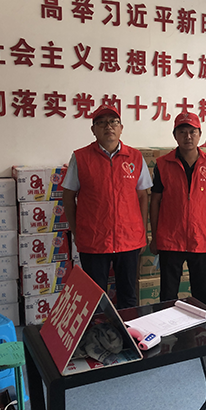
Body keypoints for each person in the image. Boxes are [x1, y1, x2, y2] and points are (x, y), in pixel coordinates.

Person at [62, 104, 152, 309]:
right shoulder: (80, 157)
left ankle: (128, 329)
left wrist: (142, 232)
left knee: (128, 295)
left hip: (129, 239)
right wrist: (77, 231)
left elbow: (142, 196)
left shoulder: (135, 157)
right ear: (93, 130)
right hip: (94, 240)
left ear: (121, 128)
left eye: (113, 122)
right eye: (101, 123)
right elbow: (68, 196)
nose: (108, 126)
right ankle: (98, 330)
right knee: (95, 298)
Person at [149, 112, 206, 306]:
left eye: (192, 132)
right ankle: (167, 325)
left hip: (201, 239)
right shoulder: (163, 164)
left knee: (201, 294)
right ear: (175, 135)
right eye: (182, 132)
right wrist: (155, 237)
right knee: (168, 294)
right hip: (170, 240)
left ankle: (202, 326)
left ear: (200, 134)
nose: (188, 136)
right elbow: (155, 201)